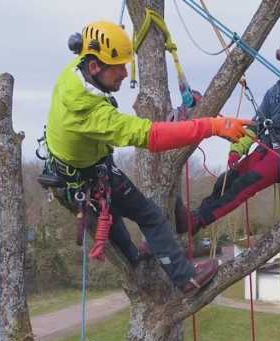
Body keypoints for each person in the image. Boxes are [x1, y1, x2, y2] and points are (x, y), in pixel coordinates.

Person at [42, 21, 251, 295]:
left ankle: (135, 262)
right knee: (150, 216)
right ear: (95, 67)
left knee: (117, 224)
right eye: (118, 67)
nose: (125, 73)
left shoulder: (74, 72)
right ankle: (186, 278)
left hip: (81, 168)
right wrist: (213, 126)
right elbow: (149, 136)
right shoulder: (86, 112)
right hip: (85, 175)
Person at [175, 22, 280, 235]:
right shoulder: (275, 92)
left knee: (247, 183)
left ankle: (197, 221)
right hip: (269, 147)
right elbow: (256, 125)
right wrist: (239, 148)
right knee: (227, 180)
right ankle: (194, 215)